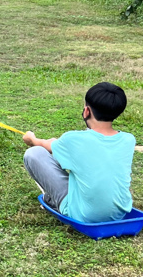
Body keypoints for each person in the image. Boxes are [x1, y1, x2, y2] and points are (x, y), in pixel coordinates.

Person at [22, 82, 136, 223]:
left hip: (83, 216)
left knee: (34, 153)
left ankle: (52, 200)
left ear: (87, 111)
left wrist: (31, 139)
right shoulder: (128, 140)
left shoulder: (73, 139)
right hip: (120, 214)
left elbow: (44, 145)